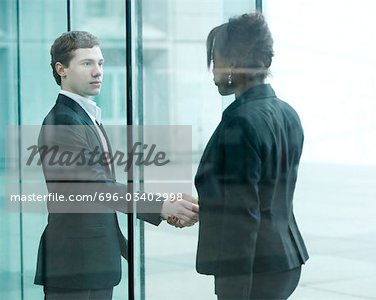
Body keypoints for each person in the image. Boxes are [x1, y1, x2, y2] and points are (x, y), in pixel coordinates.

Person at [34, 31, 199, 300]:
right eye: (87, 63)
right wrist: (162, 206)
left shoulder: (85, 117)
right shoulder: (63, 122)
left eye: (100, 63)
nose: (97, 71)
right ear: (61, 69)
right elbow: (97, 187)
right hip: (76, 265)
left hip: (90, 261)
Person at [195, 13, 309, 299]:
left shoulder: (240, 122)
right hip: (285, 260)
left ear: (232, 64)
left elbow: (243, 216)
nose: (213, 71)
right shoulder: (288, 113)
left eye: (216, 61)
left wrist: (234, 289)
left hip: (253, 270)